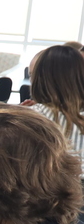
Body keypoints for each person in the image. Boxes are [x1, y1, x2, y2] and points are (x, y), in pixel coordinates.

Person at [25, 45, 84, 173]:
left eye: (31, 75)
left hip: (52, 189)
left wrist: (17, 116)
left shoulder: (34, 116)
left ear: (39, 79)